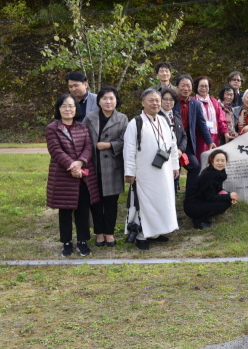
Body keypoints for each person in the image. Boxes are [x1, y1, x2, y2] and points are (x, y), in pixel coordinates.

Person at [123, 89, 179, 250]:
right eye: (151, 100)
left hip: (164, 171)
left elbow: (172, 145)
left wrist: (175, 165)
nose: (155, 103)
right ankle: (141, 235)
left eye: (157, 100)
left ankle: (156, 232)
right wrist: (130, 172)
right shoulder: (136, 123)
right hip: (144, 173)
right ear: (142, 103)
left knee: (162, 202)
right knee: (144, 203)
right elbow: (129, 149)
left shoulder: (164, 120)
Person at [46, 94, 100, 257]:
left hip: (83, 177)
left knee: (83, 210)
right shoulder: (52, 128)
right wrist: (72, 165)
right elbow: (55, 150)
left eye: (71, 106)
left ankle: (82, 241)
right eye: (64, 106)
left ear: (76, 108)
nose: (67, 109)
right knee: (65, 211)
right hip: (63, 176)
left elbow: (88, 147)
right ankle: (67, 242)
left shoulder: (82, 127)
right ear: (58, 109)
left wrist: (80, 162)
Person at [83, 87, 128, 248]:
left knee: (111, 203)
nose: (108, 101)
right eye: (105, 98)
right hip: (93, 167)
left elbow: (126, 142)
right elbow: (82, 139)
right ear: (99, 101)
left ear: (116, 101)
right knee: (95, 202)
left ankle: (109, 233)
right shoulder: (89, 118)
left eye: (112, 98)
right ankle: (99, 234)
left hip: (113, 167)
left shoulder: (122, 119)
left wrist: (109, 145)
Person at [173, 74, 213, 191]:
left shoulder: (195, 104)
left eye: (188, 86)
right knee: (173, 169)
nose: (186, 88)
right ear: (176, 87)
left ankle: (190, 196)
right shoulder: (171, 102)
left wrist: (209, 141)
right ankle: (171, 195)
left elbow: (201, 124)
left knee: (195, 167)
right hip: (171, 143)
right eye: (183, 85)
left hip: (187, 144)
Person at [184, 149, 239, 229]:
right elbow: (210, 197)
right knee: (224, 203)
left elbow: (218, 190)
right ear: (212, 161)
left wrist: (229, 195)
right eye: (217, 160)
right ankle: (199, 221)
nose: (220, 163)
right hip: (193, 207)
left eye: (223, 161)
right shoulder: (210, 176)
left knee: (227, 199)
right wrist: (229, 196)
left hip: (199, 202)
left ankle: (200, 216)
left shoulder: (217, 172)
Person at [158, 88, 187, 195]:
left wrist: (180, 150)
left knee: (174, 180)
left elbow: (184, 136)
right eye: (165, 99)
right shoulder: (156, 117)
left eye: (171, 100)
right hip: (162, 157)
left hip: (176, 156)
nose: (168, 102)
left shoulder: (176, 116)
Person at [193, 76, 228, 161]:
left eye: (206, 86)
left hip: (213, 136)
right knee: (200, 160)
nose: (204, 88)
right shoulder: (193, 101)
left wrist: (225, 132)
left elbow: (221, 119)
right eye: (201, 86)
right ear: (197, 87)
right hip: (199, 137)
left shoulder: (214, 101)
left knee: (213, 160)